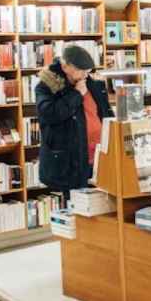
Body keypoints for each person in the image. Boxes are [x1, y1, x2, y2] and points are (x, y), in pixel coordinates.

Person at [36, 45, 113, 194]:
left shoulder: (93, 84)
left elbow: (105, 115)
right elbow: (50, 114)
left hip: (98, 160)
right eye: (81, 70)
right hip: (69, 164)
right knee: (76, 211)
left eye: (87, 70)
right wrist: (76, 94)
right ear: (65, 67)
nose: (86, 74)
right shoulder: (47, 87)